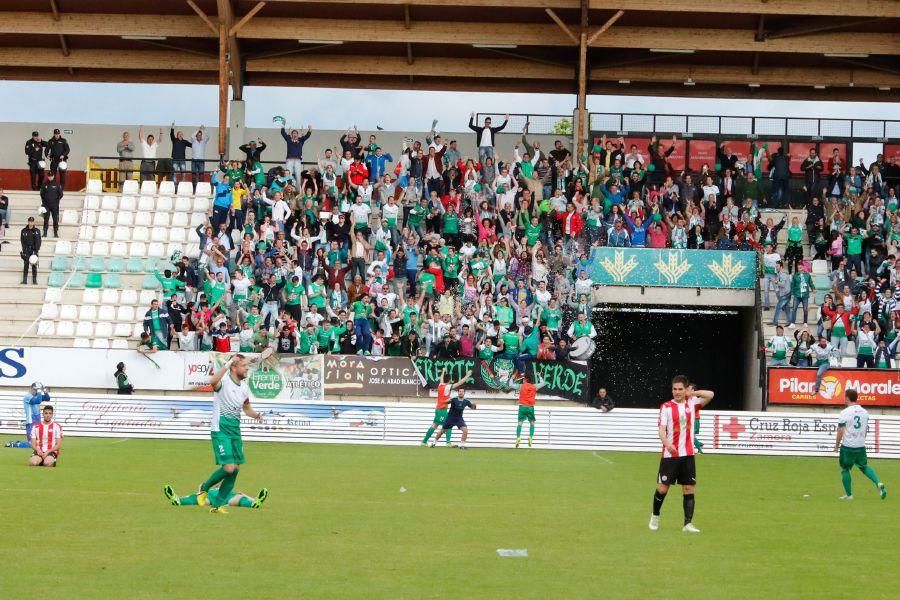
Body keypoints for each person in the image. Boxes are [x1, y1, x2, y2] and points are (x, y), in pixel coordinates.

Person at [196, 354, 264, 514]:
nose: (247, 368)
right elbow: (212, 382)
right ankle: (204, 488)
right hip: (221, 430)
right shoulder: (224, 382)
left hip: (235, 431)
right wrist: (227, 364)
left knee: (235, 469)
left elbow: (246, 409)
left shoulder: (244, 388)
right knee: (228, 468)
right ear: (233, 367)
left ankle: (217, 505)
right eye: (244, 365)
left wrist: (257, 415)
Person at [649, 375, 714, 533]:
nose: (677, 392)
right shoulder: (666, 407)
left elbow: (710, 394)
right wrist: (667, 444)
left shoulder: (692, 403)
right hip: (670, 455)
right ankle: (655, 516)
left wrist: (692, 393)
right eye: (674, 389)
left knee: (688, 489)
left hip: (688, 454)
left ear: (685, 390)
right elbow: (661, 430)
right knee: (663, 489)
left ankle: (687, 524)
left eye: (680, 389)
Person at [834, 389, 887, 501]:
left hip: (848, 446)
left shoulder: (844, 413)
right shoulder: (864, 412)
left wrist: (836, 445)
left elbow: (840, 430)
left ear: (848, 398)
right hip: (860, 445)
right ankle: (878, 483)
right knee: (864, 467)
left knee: (845, 469)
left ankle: (849, 495)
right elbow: (865, 429)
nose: (844, 399)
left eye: (845, 397)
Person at [421, 367, 471, 447]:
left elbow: (441, 379)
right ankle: (448, 443)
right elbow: (459, 383)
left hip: (438, 409)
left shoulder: (440, 385)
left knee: (434, 425)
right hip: (442, 409)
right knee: (448, 424)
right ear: (449, 380)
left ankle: (424, 442)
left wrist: (443, 371)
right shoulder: (447, 387)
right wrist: (467, 375)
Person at [164, 484, 269, 509]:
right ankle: (177, 500)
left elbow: (241, 494)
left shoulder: (231, 490)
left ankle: (254, 503)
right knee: (197, 498)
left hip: (227, 497)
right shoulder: (209, 489)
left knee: (241, 498)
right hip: (222, 498)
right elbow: (200, 489)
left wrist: (252, 498)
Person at [515, 371, 546, 448]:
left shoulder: (521, 386)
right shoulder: (534, 386)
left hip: (522, 407)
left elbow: (510, 384)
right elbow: (543, 383)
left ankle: (518, 437)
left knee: (520, 423)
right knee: (532, 422)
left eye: (523, 379)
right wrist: (540, 376)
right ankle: (530, 437)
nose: (522, 380)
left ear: (526, 380)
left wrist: (512, 378)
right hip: (530, 407)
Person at [39, 171, 63, 238]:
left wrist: (56, 201)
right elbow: (41, 194)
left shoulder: (57, 184)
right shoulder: (44, 184)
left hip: (54, 205)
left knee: (55, 219)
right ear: (48, 176)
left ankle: (55, 233)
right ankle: (45, 233)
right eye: (49, 176)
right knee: (46, 219)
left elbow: (61, 194)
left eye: (51, 176)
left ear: (53, 176)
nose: (50, 177)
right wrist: (44, 203)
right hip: (46, 205)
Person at [20, 216, 41, 285]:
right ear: (28, 222)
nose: (31, 223)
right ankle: (24, 280)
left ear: (33, 222)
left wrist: (36, 251)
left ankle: (34, 280)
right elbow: (22, 241)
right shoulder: (23, 230)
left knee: (34, 265)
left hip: (33, 250)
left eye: (32, 221)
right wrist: (23, 251)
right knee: (25, 265)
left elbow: (38, 242)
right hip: (26, 250)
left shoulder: (37, 231)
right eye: (29, 221)